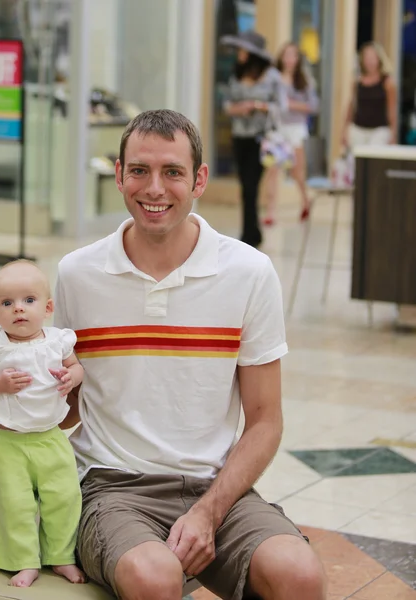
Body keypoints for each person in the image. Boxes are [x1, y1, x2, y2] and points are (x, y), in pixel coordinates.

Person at [54, 109, 326, 600]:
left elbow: (265, 420)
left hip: (216, 487)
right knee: (155, 576)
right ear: (118, 175)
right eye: (139, 170)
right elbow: (66, 404)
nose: (153, 188)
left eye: (172, 172)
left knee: (299, 575)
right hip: (111, 488)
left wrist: (208, 511)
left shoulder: (249, 272)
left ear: (199, 179)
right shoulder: (78, 274)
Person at [0, 260, 85, 588]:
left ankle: (60, 556)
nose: (18, 309)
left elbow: (77, 369)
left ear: (47, 307)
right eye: (7, 303)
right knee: (13, 504)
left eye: (28, 301)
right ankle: (23, 561)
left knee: (64, 498)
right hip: (9, 444)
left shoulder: (58, 341)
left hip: (52, 439)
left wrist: (69, 377)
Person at [221, 30, 288, 248]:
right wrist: (239, 108)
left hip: (261, 138)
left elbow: (282, 107)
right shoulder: (236, 75)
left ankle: (250, 234)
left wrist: (258, 106)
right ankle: (250, 232)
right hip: (240, 136)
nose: (239, 53)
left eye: (243, 49)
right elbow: (227, 105)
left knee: (251, 185)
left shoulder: (272, 77)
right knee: (244, 186)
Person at [263, 42, 319, 226]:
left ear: (298, 59)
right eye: (286, 55)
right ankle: (271, 211)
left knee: (297, 170)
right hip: (277, 129)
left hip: (296, 129)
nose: (288, 59)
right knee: (273, 170)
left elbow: (312, 106)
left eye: (292, 55)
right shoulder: (273, 78)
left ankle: (305, 199)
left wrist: (290, 104)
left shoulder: (304, 81)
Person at [341, 41, 397, 148]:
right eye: (367, 57)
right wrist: (344, 130)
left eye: (373, 57)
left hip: (379, 130)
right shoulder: (357, 82)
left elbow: (392, 109)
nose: (370, 61)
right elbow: (351, 106)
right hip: (358, 128)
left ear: (379, 59)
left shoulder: (387, 82)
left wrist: (393, 133)